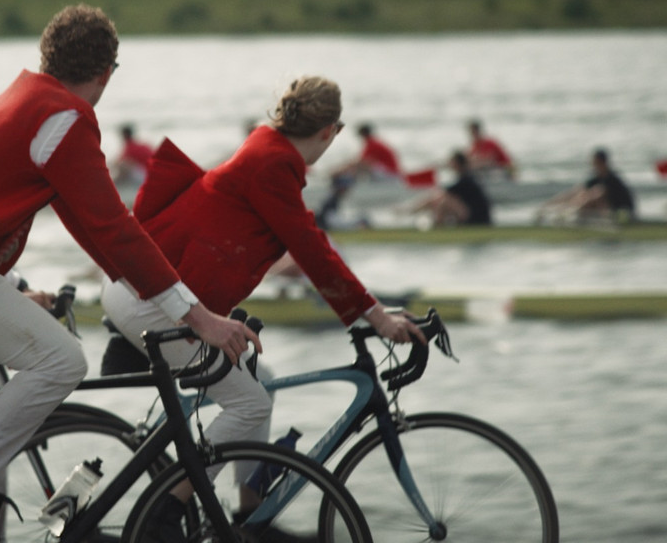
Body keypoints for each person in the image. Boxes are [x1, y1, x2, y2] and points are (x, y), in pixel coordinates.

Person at [0, 4, 259, 543]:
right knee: (60, 359)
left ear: (47, 56)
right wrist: (198, 317)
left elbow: (94, 229)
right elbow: (114, 228)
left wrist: (156, 296)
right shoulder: (62, 119)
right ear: (107, 73)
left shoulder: (31, 100)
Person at [101, 75, 425, 528]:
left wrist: (366, 310)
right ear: (330, 131)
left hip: (152, 292)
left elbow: (304, 245)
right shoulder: (273, 165)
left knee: (261, 384)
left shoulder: (266, 147)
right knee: (248, 403)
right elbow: (313, 250)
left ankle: (250, 516)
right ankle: (165, 510)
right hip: (151, 301)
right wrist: (376, 316)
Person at [538, 148, 636, 222]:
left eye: (595, 163)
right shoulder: (596, 178)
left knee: (594, 194)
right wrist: (547, 205)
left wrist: (571, 210)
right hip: (608, 213)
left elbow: (598, 195)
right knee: (581, 193)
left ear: (602, 163)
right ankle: (565, 214)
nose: (593, 165)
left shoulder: (613, 179)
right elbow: (574, 192)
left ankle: (570, 216)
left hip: (623, 213)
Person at [408, 151, 493, 227]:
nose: (450, 165)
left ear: (458, 164)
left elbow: (443, 194)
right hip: (475, 216)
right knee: (440, 199)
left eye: (452, 162)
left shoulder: (466, 180)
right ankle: (413, 212)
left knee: (443, 200)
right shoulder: (466, 177)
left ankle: (437, 226)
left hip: (478, 220)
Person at [333, 123, 402, 181]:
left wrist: (340, 170)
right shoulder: (374, 142)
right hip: (391, 172)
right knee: (360, 166)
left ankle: (348, 185)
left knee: (361, 166)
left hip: (391, 174)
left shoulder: (372, 144)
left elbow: (361, 162)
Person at [112, 122, 155, 186]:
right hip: (152, 173)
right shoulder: (142, 145)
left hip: (146, 176)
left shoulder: (130, 147)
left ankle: (113, 184)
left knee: (123, 165)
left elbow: (118, 162)